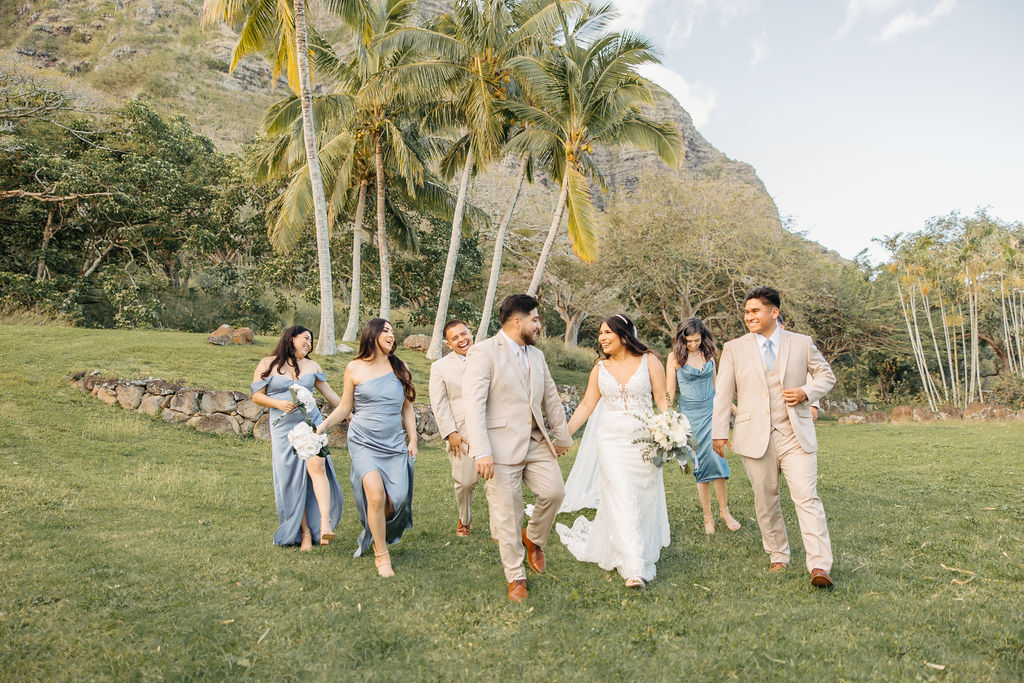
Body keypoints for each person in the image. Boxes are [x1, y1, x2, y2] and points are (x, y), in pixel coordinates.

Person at [712, 286, 837, 587]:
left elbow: (826, 376)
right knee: (765, 500)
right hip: (754, 435)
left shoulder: (802, 343)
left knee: (807, 497)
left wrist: (807, 392)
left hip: (795, 434)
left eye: (755, 311)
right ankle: (777, 555)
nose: (749, 317)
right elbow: (723, 393)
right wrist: (718, 432)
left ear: (774, 312)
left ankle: (819, 566)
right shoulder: (734, 348)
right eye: (746, 312)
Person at [463, 294, 573, 602]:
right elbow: (474, 404)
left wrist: (562, 436)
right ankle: (516, 575)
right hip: (499, 448)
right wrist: (481, 451)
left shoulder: (537, 356)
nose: (538, 325)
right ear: (517, 321)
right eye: (535, 319)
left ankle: (534, 538)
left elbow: (550, 397)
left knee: (554, 493)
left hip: (536, 442)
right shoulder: (483, 352)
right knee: (508, 515)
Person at [556, 314, 670, 588]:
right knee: (621, 494)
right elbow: (585, 406)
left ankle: (634, 546)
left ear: (624, 335)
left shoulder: (650, 361)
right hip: (610, 443)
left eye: (608, 332)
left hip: (644, 443)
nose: (603, 338)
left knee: (640, 498)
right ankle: (633, 568)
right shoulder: (599, 368)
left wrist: (671, 431)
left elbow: (663, 400)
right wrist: (563, 436)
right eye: (600, 333)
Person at [317, 319, 417, 577]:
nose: (391, 335)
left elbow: (407, 408)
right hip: (363, 441)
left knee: (398, 500)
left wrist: (413, 440)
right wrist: (323, 426)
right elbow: (344, 407)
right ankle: (381, 555)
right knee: (375, 494)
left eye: (393, 331)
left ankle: (376, 529)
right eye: (386, 330)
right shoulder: (354, 368)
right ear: (371, 335)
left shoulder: (400, 367)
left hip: (394, 444)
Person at [251, 326, 344, 551]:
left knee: (317, 467)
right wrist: (278, 403)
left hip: (310, 424)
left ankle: (324, 524)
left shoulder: (313, 366)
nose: (309, 343)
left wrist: (349, 413)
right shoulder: (268, 363)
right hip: (284, 429)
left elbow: (330, 395)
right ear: (291, 338)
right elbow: (256, 396)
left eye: (311, 341)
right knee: (292, 479)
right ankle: (304, 532)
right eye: (305, 338)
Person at [665, 317, 741, 535]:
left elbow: (718, 388)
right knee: (701, 466)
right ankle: (708, 516)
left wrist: (737, 411)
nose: (693, 344)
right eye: (688, 341)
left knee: (719, 461)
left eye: (696, 340)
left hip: (712, 413)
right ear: (682, 338)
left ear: (702, 337)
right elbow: (670, 391)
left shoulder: (709, 354)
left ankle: (724, 512)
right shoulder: (675, 357)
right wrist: (667, 418)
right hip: (690, 418)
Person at [429, 319, 488, 538]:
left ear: (471, 333)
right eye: (455, 338)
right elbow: (439, 403)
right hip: (462, 431)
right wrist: (451, 433)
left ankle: (502, 525)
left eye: (464, 334)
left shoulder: (487, 358)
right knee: (465, 482)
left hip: (492, 426)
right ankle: (464, 518)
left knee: (501, 479)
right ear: (448, 344)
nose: (462, 340)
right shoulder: (440, 367)